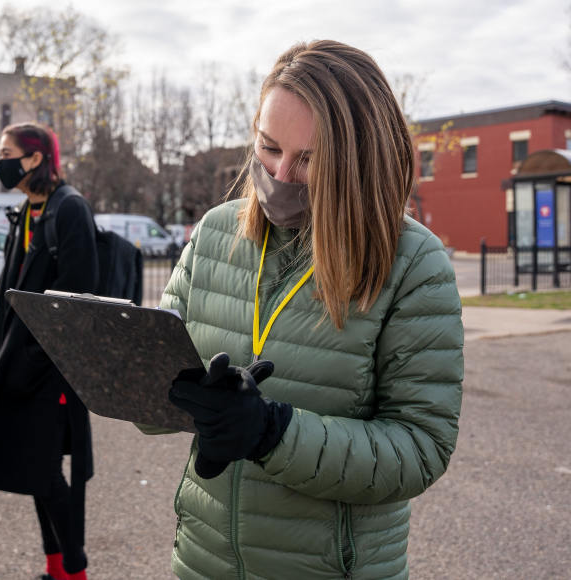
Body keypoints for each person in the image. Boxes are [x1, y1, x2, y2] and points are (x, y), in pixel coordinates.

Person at [138, 40, 463, 580]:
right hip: (203, 561)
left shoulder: (413, 263)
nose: (282, 174)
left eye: (309, 159)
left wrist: (273, 432)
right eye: (269, 147)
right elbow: (151, 401)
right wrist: (119, 362)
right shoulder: (214, 233)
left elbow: (421, 448)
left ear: (360, 159)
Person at [0, 123, 99, 580]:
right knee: (32, 468)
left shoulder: (69, 208)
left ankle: (74, 572)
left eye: (7, 153)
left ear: (35, 158)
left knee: (44, 470)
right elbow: (11, 286)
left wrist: (34, 359)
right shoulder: (27, 210)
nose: (0, 162)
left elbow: (77, 298)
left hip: (48, 368)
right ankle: (55, 567)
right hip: (15, 361)